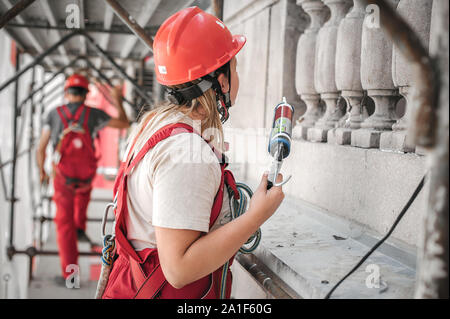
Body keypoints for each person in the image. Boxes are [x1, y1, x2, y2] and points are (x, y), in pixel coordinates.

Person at [101, 7, 285, 299]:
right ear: (219, 81)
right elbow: (179, 270)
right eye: (233, 67)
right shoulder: (185, 152)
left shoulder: (154, 124)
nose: (237, 76)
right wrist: (256, 216)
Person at [36, 73, 130, 284]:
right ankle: (80, 227)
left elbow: (41, 148)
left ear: (66, 92)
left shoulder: (53, 114)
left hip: (63, 179)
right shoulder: (94, 115)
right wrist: (117, 98)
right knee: (81, 200)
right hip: (86, 178)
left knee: (64, 227)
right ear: (86, 94)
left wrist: (42, 171)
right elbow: (124, 123)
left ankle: (71, 277)